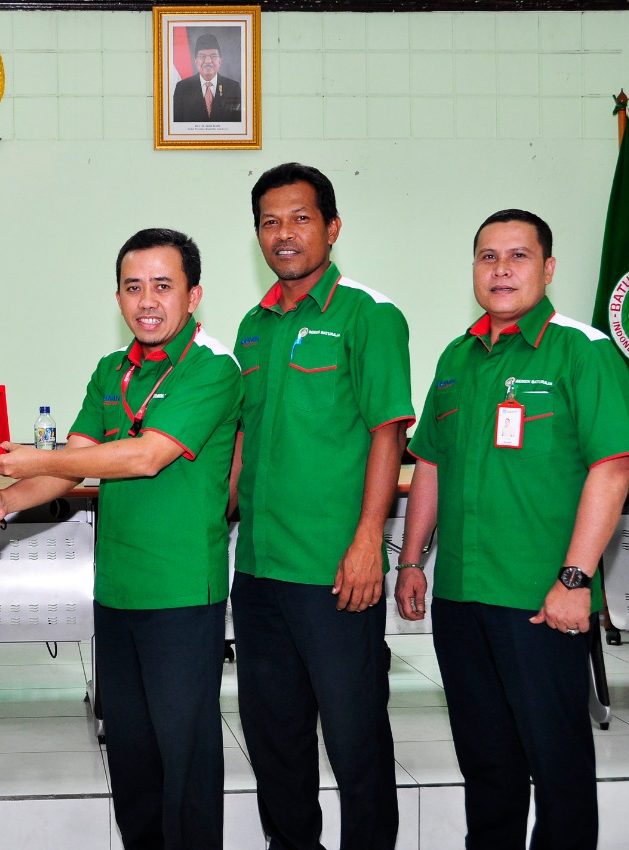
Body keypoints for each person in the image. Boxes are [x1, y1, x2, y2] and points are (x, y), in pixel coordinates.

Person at [0, 228, 242, 850]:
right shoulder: (111, 370)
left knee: (185, 759)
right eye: (133, 287)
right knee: (132, 759)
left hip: (181, 594)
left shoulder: (213, 367)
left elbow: (146, 456)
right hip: (116, 594)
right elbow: (73, 464)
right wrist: (1, 502)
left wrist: (30, 459)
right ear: (117, 297)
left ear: (193, 295)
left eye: (163, 286)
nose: (148, 301)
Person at [396, 209, 629, 850]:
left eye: (518, 256)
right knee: (487, 767)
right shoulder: (457, 357)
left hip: (541, 599)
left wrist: (575, 579)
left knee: (558, 769)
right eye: (488, 257)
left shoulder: (581, 350)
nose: (501, 269)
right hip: (461, 598)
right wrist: (412, 561)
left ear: (548, 268)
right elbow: (430, 464)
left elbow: (612, 468)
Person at [230, 162, 411, 850]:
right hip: (260, 570)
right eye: (270, 221)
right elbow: (242, 441)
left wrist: (369, 541)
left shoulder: (368, 314)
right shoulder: (251, 327)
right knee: (274, 740)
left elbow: (388, 432)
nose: (284, 233)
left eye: (301, 218)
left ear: (332, 228)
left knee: (355, 737)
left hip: (336, 571)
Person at [172, 33, 242, 123]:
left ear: (220, 61)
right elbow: (176, 125)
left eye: (213, 56)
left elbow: (237, 123)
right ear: (196, 61)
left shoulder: (233, 88)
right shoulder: (182, 88)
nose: (208, 61)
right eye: (202, 56)